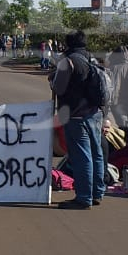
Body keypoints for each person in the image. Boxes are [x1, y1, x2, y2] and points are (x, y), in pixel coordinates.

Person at [49, 30, 107, 209]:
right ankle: (97, 193)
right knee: (96, 154)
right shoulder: (92, 59)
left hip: (75, 115)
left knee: (82, 156)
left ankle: (83, 197)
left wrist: (51, 79)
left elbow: (58, 88)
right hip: (95, 113)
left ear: (68, 43)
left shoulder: (69, 61)